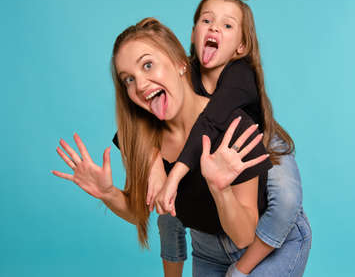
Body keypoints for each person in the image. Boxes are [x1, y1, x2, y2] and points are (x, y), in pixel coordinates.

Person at [52, 18, 272, 276]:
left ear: (180, 63)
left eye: (148, 65)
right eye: (128, 79)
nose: (140, 85)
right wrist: (108, 193)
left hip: (264, 250)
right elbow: (141, 213)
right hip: (206, 252)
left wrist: (220, 190)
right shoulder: (139, 138)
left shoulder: (233, 126)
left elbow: (245, 236)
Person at [148, 0, 311, 277]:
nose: (214, 29)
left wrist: (175, 173)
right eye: (206, 21)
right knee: (167, 201)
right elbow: (141, 118)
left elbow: (211, 120)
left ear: (241, 46)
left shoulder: (240, 76)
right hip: (211, 151)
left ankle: (243, 269)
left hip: (258, 140)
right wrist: (153, 164)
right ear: (194, 32)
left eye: (226, 25)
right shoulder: (183, 73)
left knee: (286, 197)